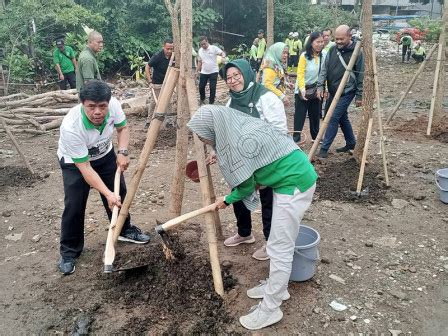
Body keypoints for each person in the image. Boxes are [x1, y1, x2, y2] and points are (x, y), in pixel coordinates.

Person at [187, 105, 317, 330]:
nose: (200, 137)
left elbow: (246, 185)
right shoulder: (237, 128)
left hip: (294, 182)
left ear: (213, 127)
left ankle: (271, 307)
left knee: (279, 248)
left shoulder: (239, 143)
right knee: (278, 244)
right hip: (289, 176)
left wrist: (226, 200)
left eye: (201, 133)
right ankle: (277, 287)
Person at [57, 80, 150, 275]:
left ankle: (124, 230)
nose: (98, 112)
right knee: (74, 204)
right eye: (91, 107)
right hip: (75, 163)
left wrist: (123, 152)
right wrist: (107, 193)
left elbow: (123, 128)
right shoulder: (71, 128)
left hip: (105, 154)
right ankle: (69, 252)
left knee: (120, 193)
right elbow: (85, 169)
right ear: (83, 104)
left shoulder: (114, 105)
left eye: (102, 106)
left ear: (108, 103)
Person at [221, 59, 288, 261]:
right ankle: (244, 233)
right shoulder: (231, 101)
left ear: (247, 74)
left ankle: (271, 242)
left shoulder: (266, 98)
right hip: (242, 160)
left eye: (237, 75)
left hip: (267, 158)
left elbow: (279, 131)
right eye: (229, 77)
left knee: (269, 201)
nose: (233, 81)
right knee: (239, 193)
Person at [316, 25, 364, 158]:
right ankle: (351, 142)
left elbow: (361, 75)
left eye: (341, 39)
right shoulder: (332, 50)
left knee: (332, 117)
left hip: (347, 91)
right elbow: (324, 69)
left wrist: (360, 95)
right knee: (342, 117)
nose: (338, 42)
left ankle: (324, 149)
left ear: (349, 36)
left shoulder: (357, 52)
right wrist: (321, 86)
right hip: (333, 91)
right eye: (336, 39)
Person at [294, 32, 325, 144]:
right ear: (311, 43)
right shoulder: (304, 56)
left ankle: (315, 137)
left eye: (322, 42)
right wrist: (302, 89)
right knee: (300, 115)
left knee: (315, 114)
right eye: (317, 42)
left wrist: (322, 88)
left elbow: (324, 73)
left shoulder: (324, 55)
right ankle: (296, 138)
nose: (320, 44)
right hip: (303, 89)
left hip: (316, 90)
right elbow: (300, 73)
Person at [144, 39, 174, 127]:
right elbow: (147, 67)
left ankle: (169, 121)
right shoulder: (157, 56)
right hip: (157, 83)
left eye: (171, 49)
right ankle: (149, 121)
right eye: (167, 48)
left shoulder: (174, 56)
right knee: (154, 103)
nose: (169, 51)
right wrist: (150, 81)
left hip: (168, 82)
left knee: (169, 102)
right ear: (163, 47)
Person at [197, 36, 226, 105]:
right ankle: (202, 98)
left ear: (207, 41)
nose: (203, 46)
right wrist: (197, 71)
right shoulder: (200, 51)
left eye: (204, 44)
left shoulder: (213, 48)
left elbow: (222, 53)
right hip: (204, 71)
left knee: (212, 88)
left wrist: (223, 56)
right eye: (201, 44)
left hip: (213, 71)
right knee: (201, 87)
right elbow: (200, 62)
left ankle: (211, 102)